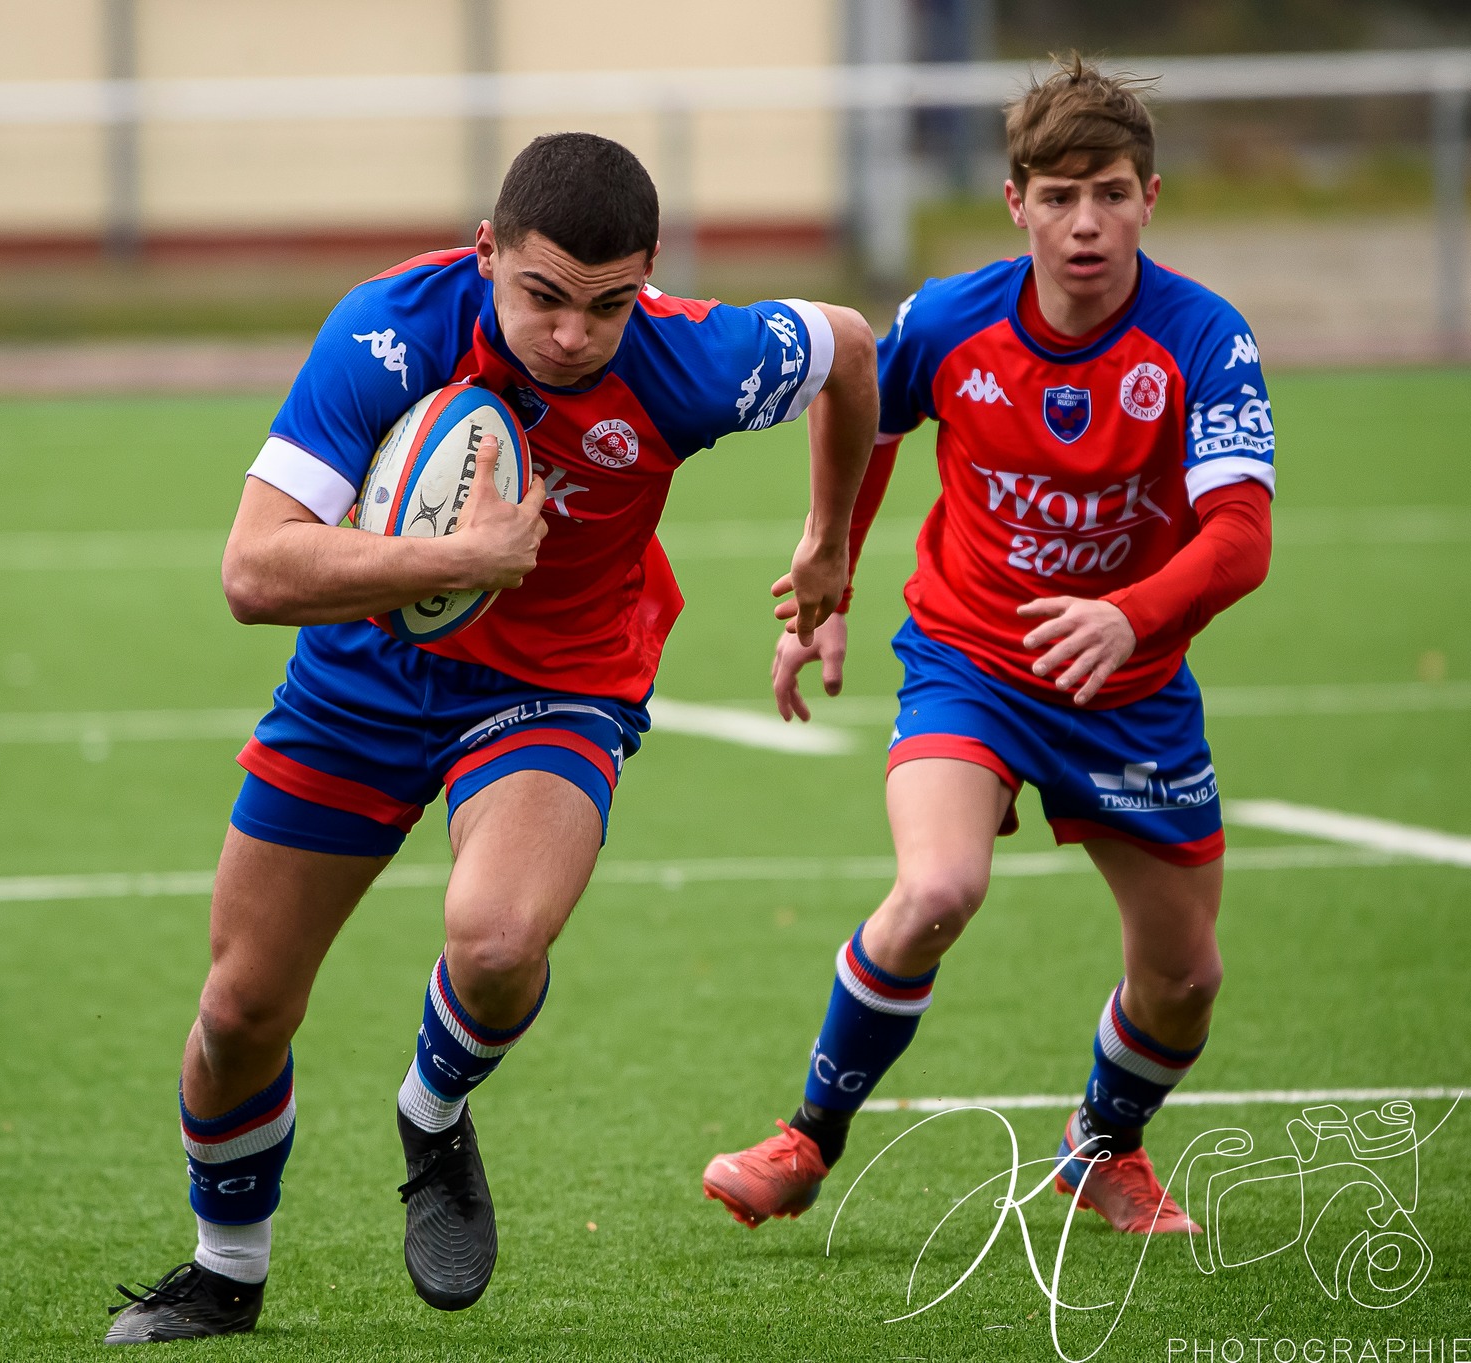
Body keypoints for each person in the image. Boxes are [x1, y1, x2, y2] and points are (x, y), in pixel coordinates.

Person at [105, 131, 879, 1343]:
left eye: (606, 304)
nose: (571, 334)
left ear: (649, 277)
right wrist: (457, 559)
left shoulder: (692, 359)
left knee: (501, 935)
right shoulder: (388, 329)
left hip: (560, 681)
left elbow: (846, 345)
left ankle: (430, 1113)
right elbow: (252, 572)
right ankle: (225, 1269)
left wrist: (830, 538)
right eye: (541, 297)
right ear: (486, 254)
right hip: (362, 680)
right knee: (240, 1009)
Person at [701, 54, 1275, 1238]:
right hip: (970, 660)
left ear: (1147, 200)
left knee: (1184, 979)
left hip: (1131, 690)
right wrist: (829, 575)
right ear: (1013, 202)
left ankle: (1097, 1148)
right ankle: (805, 1138)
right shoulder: (951, 320)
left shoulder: (1202, 342)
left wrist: (1129, 614)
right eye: (1056, 196)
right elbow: (857, 409)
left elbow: (1239, 536)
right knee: (936, 887)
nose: (1083, 223)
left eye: (1109, 193)